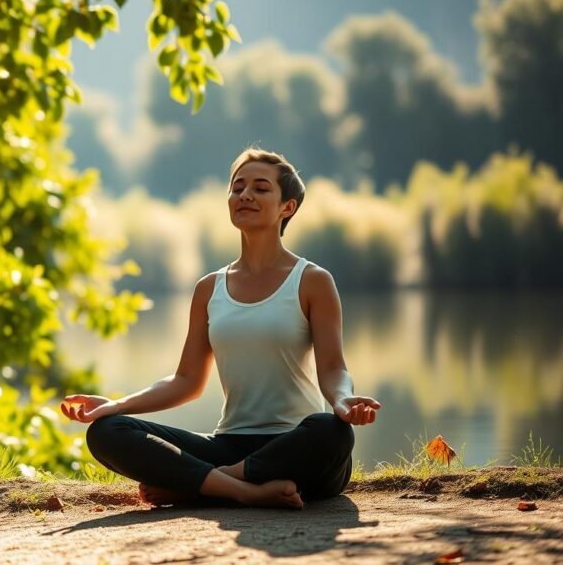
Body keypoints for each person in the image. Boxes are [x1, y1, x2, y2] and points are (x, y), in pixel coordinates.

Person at [59, 148, 381, 509]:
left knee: (332, 431)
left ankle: (204, 484)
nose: (244, 195)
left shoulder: (312, 280)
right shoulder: (209, 288)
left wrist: (342, 401)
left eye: (261, 188)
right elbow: (186, 381)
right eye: (237, 187)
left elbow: (334, 368)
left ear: (287, 207)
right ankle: (244, 489)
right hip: (228, 444)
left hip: (298, 446)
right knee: (108, 431)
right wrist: (115, 405)